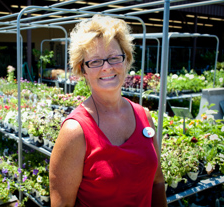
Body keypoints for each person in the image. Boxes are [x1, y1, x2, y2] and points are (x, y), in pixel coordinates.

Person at [49, 14, 167, 207]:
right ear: (83, 70)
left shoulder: (143, 116)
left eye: (114, 58)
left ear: (126, 60)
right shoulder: (75, 131)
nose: (106, 67)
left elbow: (157, 182)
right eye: (95, 61)